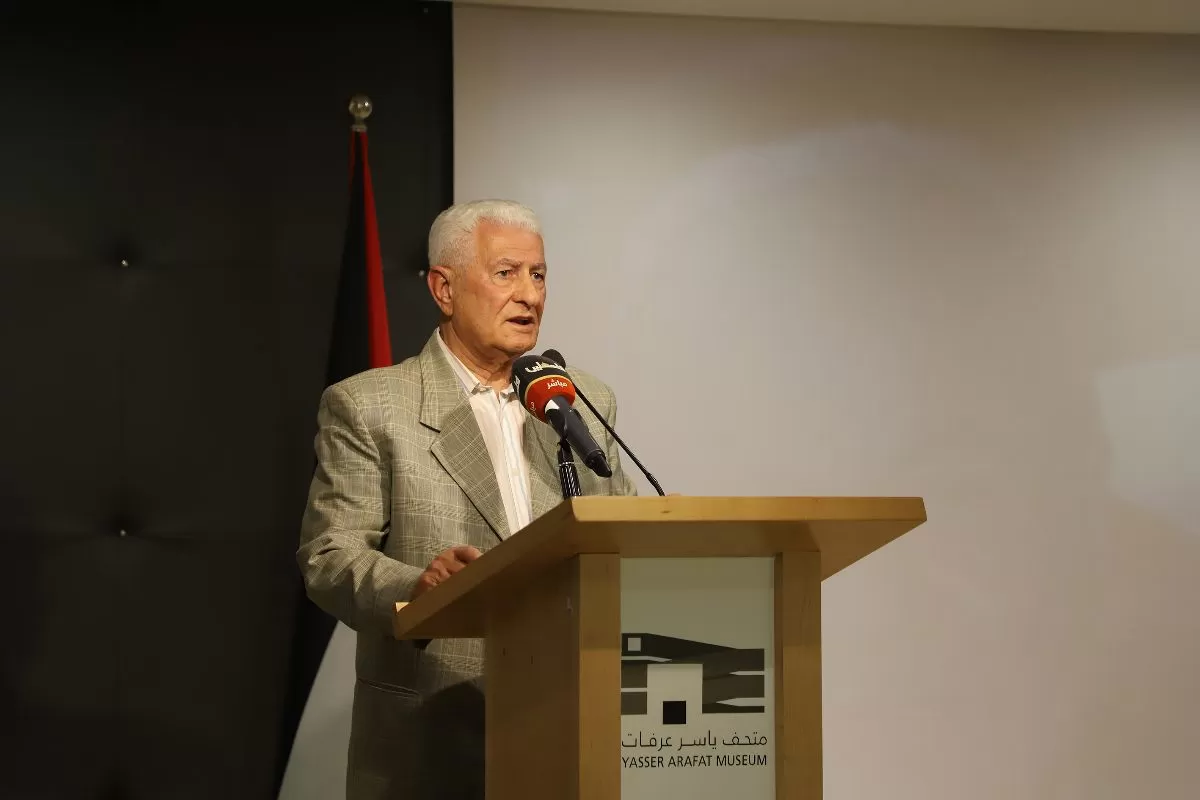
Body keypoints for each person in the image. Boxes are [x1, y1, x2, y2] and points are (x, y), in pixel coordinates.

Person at [297, 199, 637, 800]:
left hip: (570, 722)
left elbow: (617, 529)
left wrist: (654, 531)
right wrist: (417, 587)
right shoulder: (372, 406)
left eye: (538, 275)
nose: (530, 295)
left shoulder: (579, 398)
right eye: (506, 273)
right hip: (433, 739)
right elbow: (329, 556)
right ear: (444, 289)